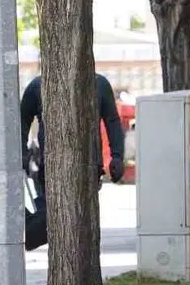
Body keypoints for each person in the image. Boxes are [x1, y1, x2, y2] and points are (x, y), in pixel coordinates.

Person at [20, 73, 127, 248]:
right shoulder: (38, 86)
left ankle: (31, 233)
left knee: (76, 219)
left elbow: (112, 121)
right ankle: (29, 231)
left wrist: (117, 156)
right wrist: (22, 155)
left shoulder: (99, 84)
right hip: (51, 168)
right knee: (53, 217)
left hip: (88, 167)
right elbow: (22, 120)